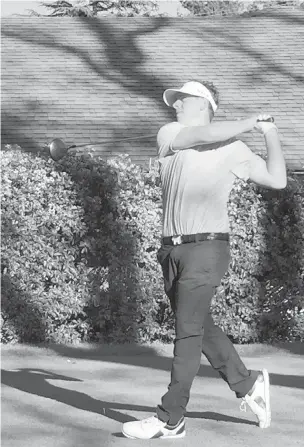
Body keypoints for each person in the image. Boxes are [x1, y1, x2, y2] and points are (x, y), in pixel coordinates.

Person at [122, 81, 287, 440]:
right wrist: (249, 121)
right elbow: (202, 134)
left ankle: (171, 418)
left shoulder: (235, 149)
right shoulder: (171, 133)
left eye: (182, 99)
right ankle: (248, 386)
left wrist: (270, 132)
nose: (175, 104)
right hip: (171, 250)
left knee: (188, 330)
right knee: (200, 328)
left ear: (203, 103)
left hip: (207, 249)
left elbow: (277, 179)